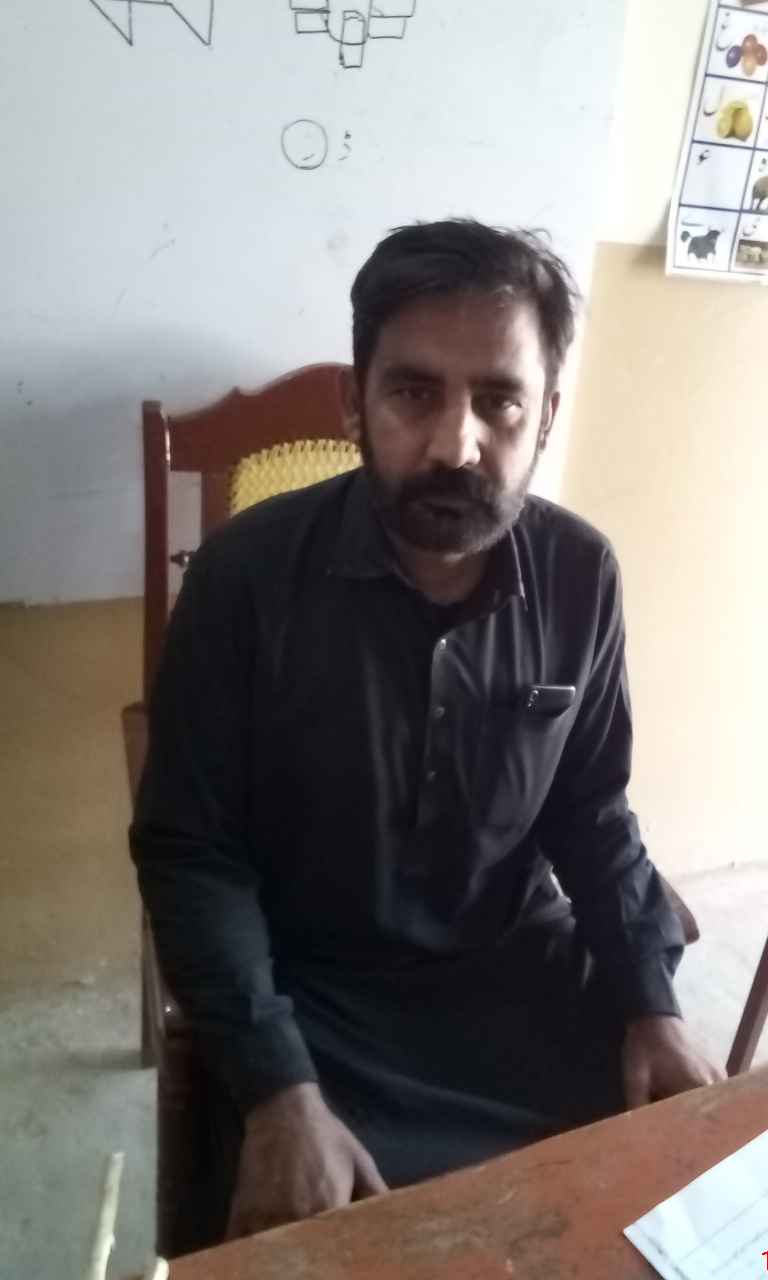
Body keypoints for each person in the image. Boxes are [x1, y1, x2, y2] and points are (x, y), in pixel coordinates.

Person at [131, 219, 721, 1246]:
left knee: (661, 1213)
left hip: (517, 977)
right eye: (414, 393)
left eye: (500, 400)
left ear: (546, 413)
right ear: (353, 401)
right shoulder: (243, 581)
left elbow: (591, 807)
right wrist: (275, 1087)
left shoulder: (580, 574)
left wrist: (651, 1002)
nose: (457, 444)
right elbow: (194, 849)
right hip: (312, 1003)